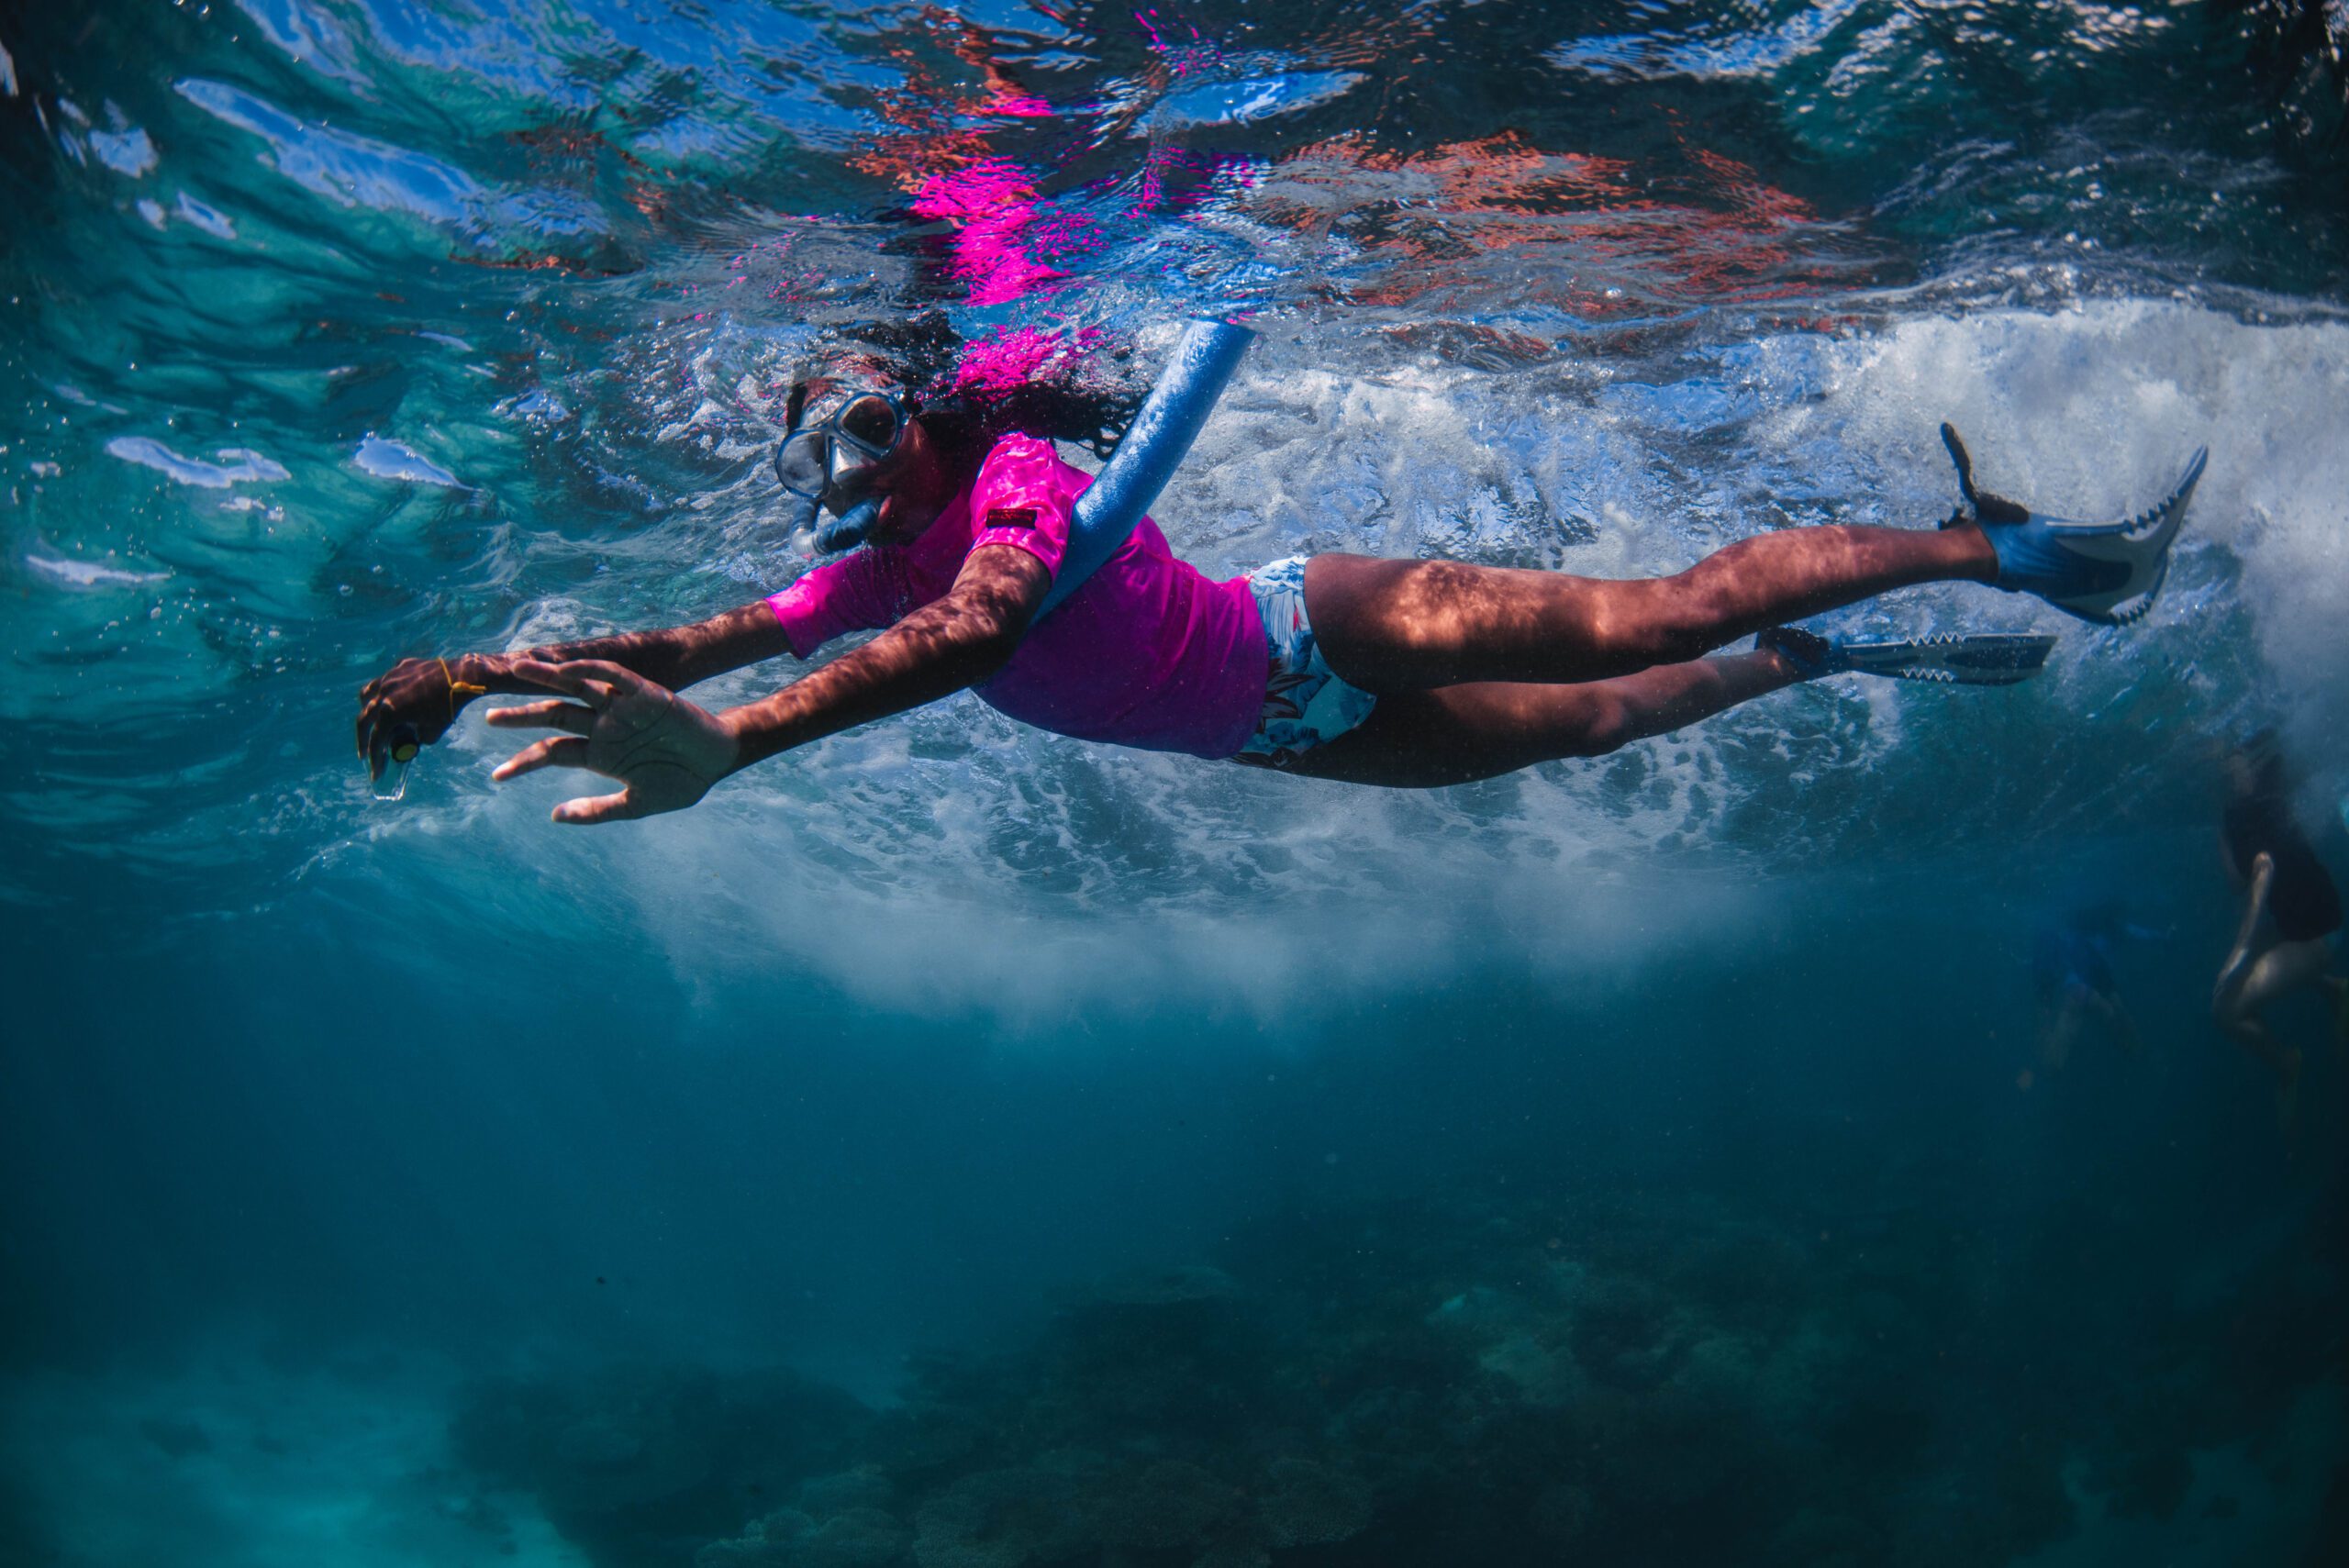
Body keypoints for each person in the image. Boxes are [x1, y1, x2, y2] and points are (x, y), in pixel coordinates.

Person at [354, 326, 2203, 823]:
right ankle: (1812, 661)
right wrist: (466, 669)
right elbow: (693, 635)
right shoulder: (859, 573)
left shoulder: (1008, 475)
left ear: (921, 412)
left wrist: (743, 744)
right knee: (1599, 724)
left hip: (1308, 618)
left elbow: (984, 626)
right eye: (813, 449)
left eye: (863, 423)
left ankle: (2023, 545)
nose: (846, 466)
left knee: (1651, 611)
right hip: (1278, 734)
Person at [2211, 734, 2348, 1104]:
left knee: (2225, 1010)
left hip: (2318, 934)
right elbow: (2239, 884)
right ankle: (2336, 990)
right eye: (2227, 772)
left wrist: (2238, 953)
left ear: (2251, 765)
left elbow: (2262, 871)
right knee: (2238, 978)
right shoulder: (2239, 815)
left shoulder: (2259, 807)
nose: (2234, 775)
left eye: (2238, 766)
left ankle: (2287, 1064)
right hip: (2301, 924)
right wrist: (2223, 840)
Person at [2031, 903, 2143, 1070]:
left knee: (2056, 1023)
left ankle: (2051, 1065)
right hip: (2085, 985)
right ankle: (2133, 1051)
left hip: (2077, 986)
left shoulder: (2065, 941)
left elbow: (2054, 973)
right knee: (2111, 1010)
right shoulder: (2080, 941)